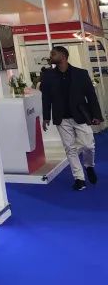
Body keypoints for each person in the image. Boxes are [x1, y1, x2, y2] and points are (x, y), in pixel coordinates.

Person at [41, 45, 102, 190]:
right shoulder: (48, 75)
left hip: (80, 115)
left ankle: (89, 166)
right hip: (61, 118)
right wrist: (46, 117)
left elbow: (91, 96)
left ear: (63, 56)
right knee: (70, 148)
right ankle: (79, 178)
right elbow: (46, 97)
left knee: (89, 145)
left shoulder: (81, 73)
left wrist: (96, 115)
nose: (51, 56)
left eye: (53, 54)